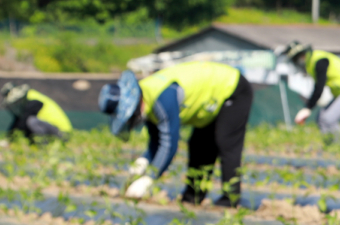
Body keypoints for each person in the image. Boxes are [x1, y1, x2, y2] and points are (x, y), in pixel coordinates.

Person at [98, 61, 254, 206]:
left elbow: (169, 144)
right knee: (198, 145)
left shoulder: (162, 98)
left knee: (225, 142)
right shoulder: (146, 98)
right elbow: (156, 142)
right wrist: (143, 161)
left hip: (232, 88)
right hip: (207, 104)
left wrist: (149, 179)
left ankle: (230, 199)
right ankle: (193, 198)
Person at [280, 41, 340, 142]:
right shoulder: (310, 63)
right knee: (321, 118)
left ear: (301, 56)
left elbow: (319, 87)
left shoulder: (319, 60)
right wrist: (308, 108)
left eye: (294, 60)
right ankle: (329, 146)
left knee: (328, 119)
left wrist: (307, 108)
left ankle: (339, 147)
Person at [1, 83, 72, 142]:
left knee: (31, 121)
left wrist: (9, 140)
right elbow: (18, 120)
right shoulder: (28, 98)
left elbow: (22, 122)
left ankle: (44, 146)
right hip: (54, 130)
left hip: (63, 134)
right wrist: (8, 139)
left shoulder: (33, 100)